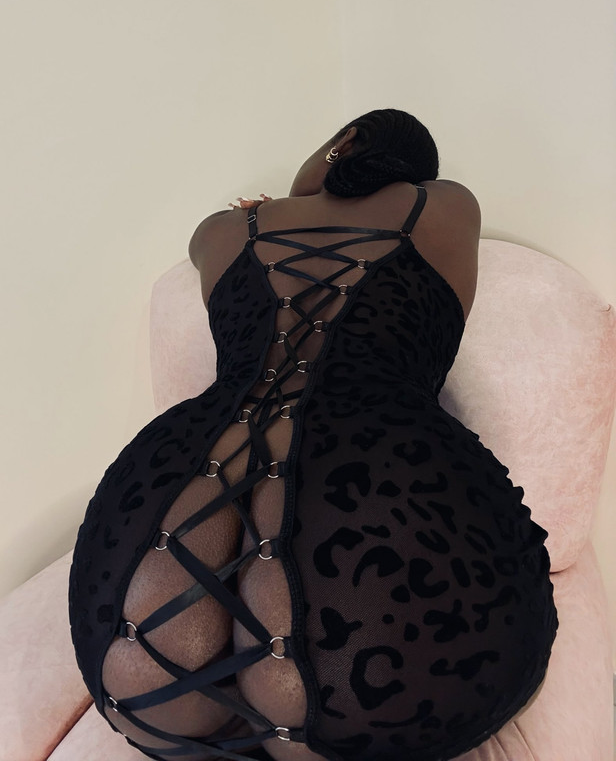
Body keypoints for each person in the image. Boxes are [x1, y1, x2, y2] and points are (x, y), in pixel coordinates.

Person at [68, 108, 558, 761]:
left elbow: (213, 251)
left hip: (182, 473)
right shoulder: (445, 205)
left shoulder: (221, 229)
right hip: (382, 465)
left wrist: (266, 207)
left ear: (344, 142)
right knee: (320, 689)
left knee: (146, 669)